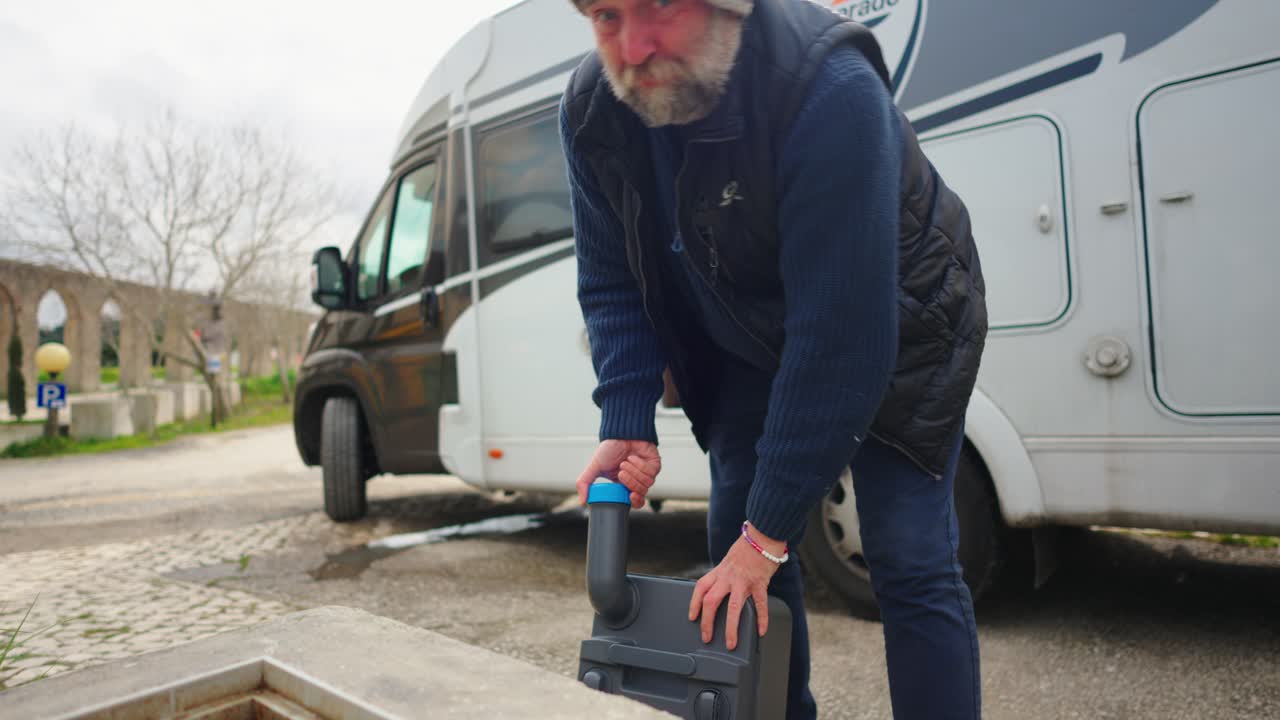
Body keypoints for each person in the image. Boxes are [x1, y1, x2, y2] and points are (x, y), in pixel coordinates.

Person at [560, 0, 987, 717]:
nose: (631, 47)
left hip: (900, 325)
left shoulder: (829, 86)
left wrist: (769, 537)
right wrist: (626, 414)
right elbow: (613, 278)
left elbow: (842, 343)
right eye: (606, 13)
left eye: (659, 5)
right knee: (734, 553)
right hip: (742, 340)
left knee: (908, 558)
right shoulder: (595, 111)